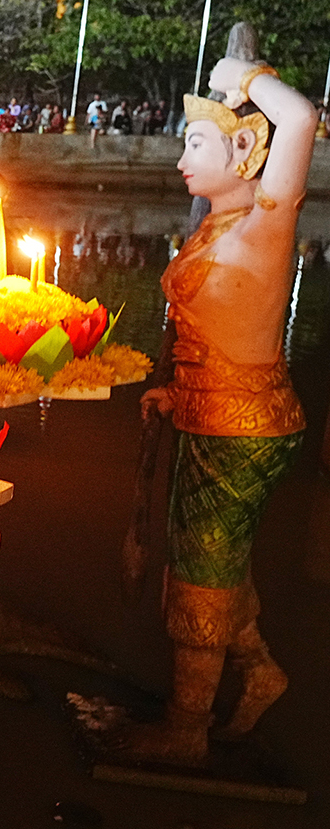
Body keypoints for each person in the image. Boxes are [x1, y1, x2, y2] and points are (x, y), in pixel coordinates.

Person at [129, 58, 316, 766]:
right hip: (206, 417)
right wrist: (178, 391)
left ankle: (185, 727)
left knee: (204, 567)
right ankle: (260, 671)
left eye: (194, 145)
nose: (181, 159)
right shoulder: (214, 225)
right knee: (208, 556)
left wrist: (248, 75)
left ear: (245, 152)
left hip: (247, 430)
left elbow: (298, 118)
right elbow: (217, 330)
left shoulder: (265, 226)